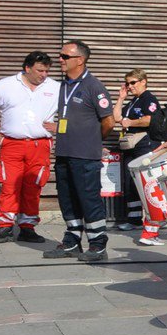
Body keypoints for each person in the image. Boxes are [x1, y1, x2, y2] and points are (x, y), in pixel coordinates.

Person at [41, 42, 115, 262]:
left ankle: (98, 244)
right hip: (65, 152)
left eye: (65, 56)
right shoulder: (64, 85)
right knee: (68, 198)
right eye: (60, 55)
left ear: (80, 60)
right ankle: (72, 241)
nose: (60, 59)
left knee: (88, 198)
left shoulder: (94, 86)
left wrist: (92, 139)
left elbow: (109, 122)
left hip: (85, 155)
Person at [0, 52, 59, 243]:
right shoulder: (5, 85)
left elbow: (76, 111)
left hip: (40, 145)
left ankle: (28, 227)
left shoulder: (55, 87)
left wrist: (61, 127)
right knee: (9, 185)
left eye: (46, 70)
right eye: (39, 70)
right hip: (12, 144)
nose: (43, 74)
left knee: (33, 187)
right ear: (27, 68)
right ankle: (5, 227)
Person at [113, 70, 163, 232]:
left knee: (144, 182)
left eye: (133, 82)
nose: (130, 86)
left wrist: (130, 123)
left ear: (143, 81)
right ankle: (134, 219)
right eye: (127, 83)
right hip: (131, 146)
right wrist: (121, 98)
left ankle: (154, 218)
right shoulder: (133, 101)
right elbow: (117, 117)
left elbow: (149, 119)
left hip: (144, 145)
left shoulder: (149, 99)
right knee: (130, 182)